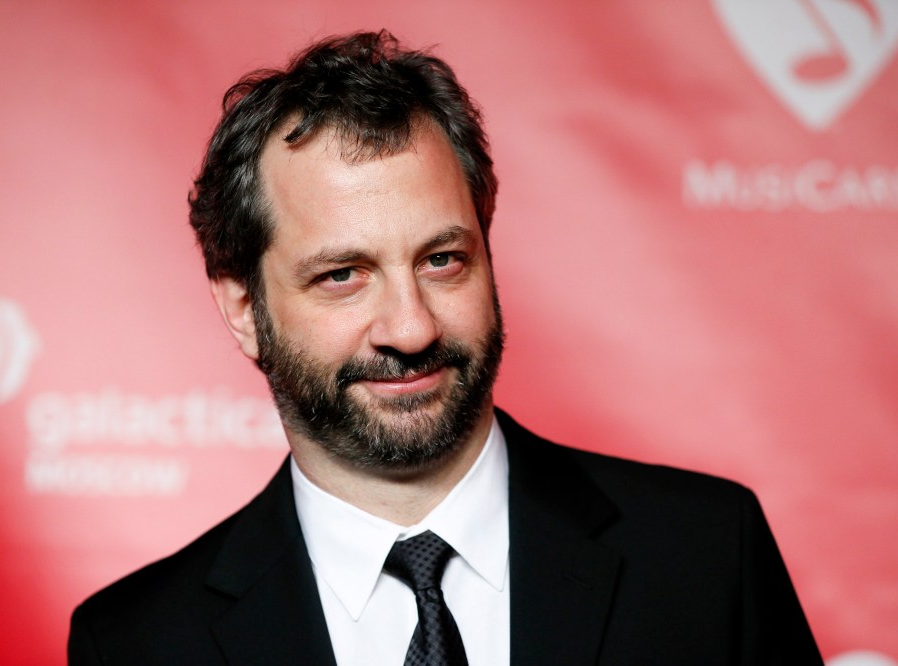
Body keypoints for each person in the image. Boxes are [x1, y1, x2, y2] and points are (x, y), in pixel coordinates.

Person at [68, 30, 823, 665]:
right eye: (342, 275)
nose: (412, 329)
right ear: (243, 309)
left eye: (441, 260)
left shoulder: (707, 558)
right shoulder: (136, 643)